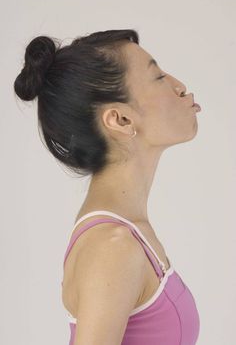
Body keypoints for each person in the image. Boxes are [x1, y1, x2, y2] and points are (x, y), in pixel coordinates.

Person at [14, 29, 201, 345]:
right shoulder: (112, 246)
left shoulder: (127, 235)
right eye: (158, 77)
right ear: (121, 120)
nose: (180, 87)